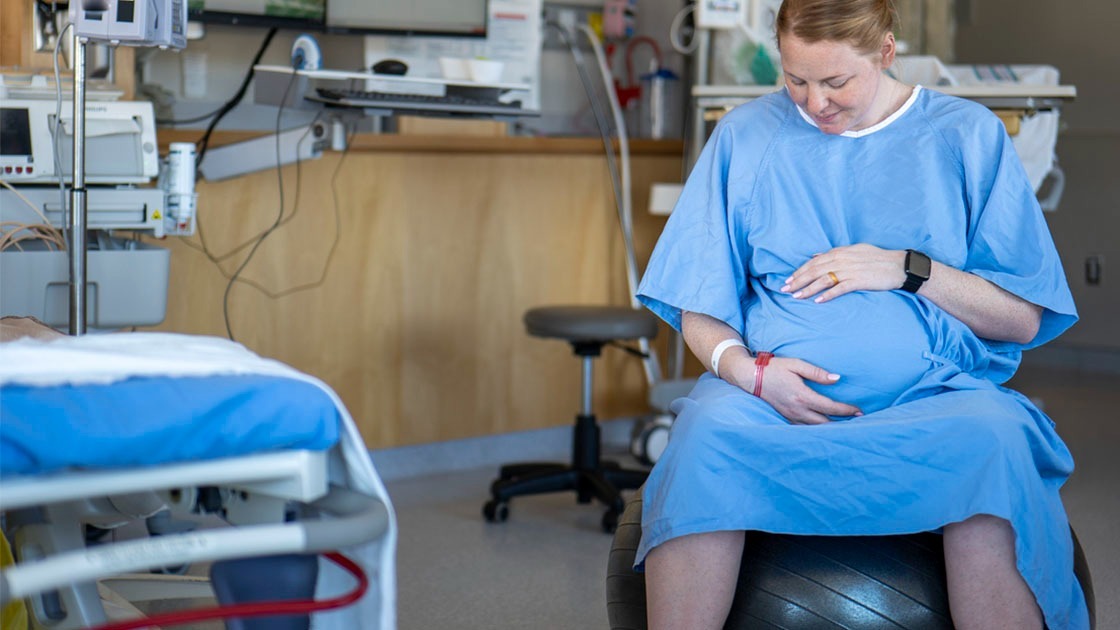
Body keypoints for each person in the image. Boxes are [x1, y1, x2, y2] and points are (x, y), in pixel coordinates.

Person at [633, 0, 1087, 628]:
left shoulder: (966, 135)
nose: (814, 102)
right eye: (796, 79)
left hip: (934, 401)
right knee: (704, 437)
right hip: (768, 406)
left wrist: (907, 268)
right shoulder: (745, 136)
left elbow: (1022, 321)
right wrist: (748, 373)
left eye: (836, 81)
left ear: (886, 51)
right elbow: (698, 303)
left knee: (994, 441)